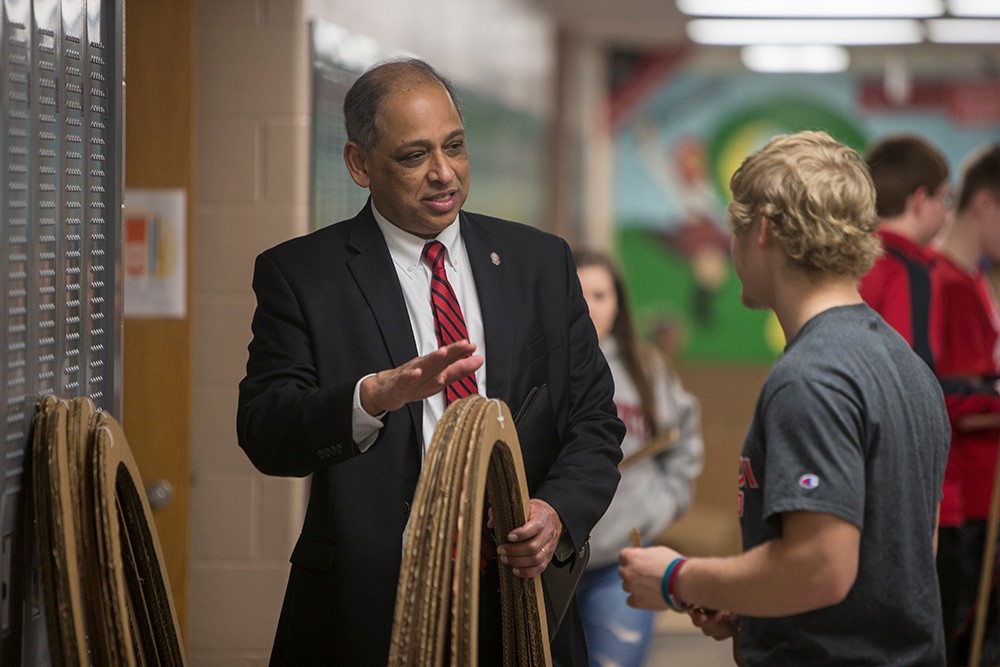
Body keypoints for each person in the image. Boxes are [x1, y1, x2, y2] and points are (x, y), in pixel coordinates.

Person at [236, 58, 625, 666]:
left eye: (455, 147)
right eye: (414, 156)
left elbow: (595, 424)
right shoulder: (302, 276)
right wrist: (371, 398)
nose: (444, 174)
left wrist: (556, 513)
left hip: (520, 601)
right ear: (360, 164)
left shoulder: (539, 264)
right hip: (367, 608)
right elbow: (266, 432)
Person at [618, 131, 951, 665]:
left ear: (765, 231)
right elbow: (902, 560)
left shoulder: (811, 378)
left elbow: (820, 566)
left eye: (736, 230)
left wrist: (679, 578)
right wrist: (751, 601)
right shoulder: (908, 367)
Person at [573, 248, 703, 667]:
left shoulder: (646, 369)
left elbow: (681, 439)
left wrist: (665, 503)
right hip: (544, 561)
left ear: (618, 303)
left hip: (621, 559)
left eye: (600, 295)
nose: (589, 307)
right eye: (578, 294)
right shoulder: (535, 365)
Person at [931, 144, 1000, 665]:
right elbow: (942, 400)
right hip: (961, 502)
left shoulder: (975, 280)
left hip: (983, 496)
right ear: (985, 204)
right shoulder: (943, 283)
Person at [858, 133, 952, 368]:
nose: (945, 213)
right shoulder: (910, 272)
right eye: (944, 199)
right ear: (920, 200)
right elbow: (911, 373)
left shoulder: (848, 257)